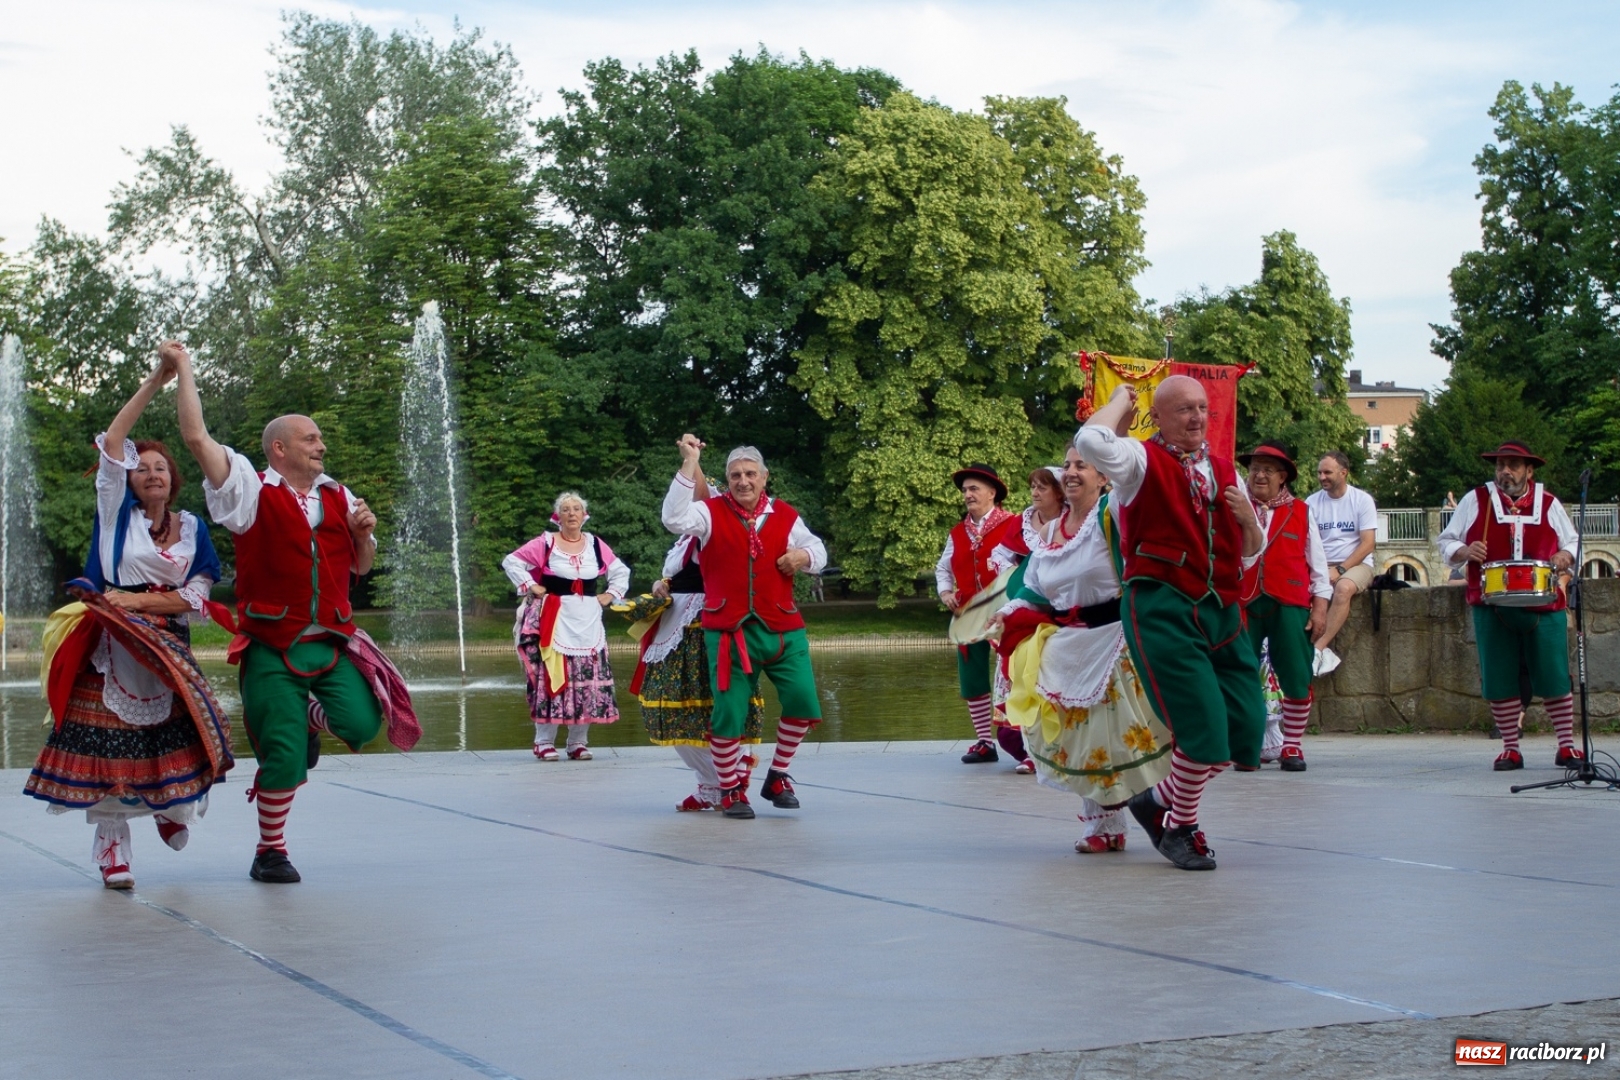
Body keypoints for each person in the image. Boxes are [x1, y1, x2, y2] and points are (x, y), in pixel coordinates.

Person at [172, 341, 416, 885]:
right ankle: (270, 852)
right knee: (281, 754)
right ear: (279, 448)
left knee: (363, 723)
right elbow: (195, 437)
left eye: (320, 440)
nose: (321, 446)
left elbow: (360, 567)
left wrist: (364, 537)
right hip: (270, 644)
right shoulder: (249, 490)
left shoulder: (339, 494)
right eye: (311, 439)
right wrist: (184, 367)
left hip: (329, 641)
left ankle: (311, 718)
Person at [24, 353, 232, 888]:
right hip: (113, 646)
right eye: (143, 469)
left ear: (173, 479)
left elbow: (197, 597)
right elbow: (115, 443)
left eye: (161, 466)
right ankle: (113, 856)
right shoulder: (117, 516)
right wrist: (156, 380)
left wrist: (139, 602)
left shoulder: (192, 530)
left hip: (168, 646)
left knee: (185, 742)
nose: (151, 472)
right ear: (129, 483)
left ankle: (170, 809)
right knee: (107, 754)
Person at [1077, 376, 1266, 871]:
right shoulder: (1139, 462)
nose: (1197, 417)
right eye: (1184, 409)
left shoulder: (1225, 470)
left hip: (1221, 611)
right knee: (1202, 729)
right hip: (1163, 607)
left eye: (1203, 407)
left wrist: (1248, 520)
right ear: (1157, 417)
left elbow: (1251, 552)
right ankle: (1181, 826)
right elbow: (1090, 441)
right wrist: (1120, 399)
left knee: (1245, 730)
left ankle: (1156, 797)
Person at [992, 446, 1171, 853]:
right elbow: (1036, 590)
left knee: (1137, 736)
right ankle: (1104, 827)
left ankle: (1168, 813)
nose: (1070, 473)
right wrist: (1008, 612)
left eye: (1082, 466)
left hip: (1118, 641)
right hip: (1072, 645)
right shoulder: (1051, 534)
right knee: (1085, 741)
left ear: (1104, 476)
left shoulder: (1113, 515)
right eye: (1067, 465)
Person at [662, 436, 827, 819]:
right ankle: (731, 790)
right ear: (728, 479)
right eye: (735, 474)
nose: (743, 481)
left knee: (803, 703)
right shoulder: (709, 512)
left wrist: (802, 555)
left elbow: (818, 552)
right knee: (728, 715)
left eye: (750, 473)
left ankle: (778, 776)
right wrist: (690, 462)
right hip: (729, 631)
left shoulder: (785, 515)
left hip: (784, 627)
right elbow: (672, 519)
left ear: (764, 477)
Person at [1436, 441, 1579, 771]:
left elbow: (1572, 541)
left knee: (1555, 674)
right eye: (1501, 464)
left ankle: (1567, 747)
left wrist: (1565, 556)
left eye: (1514, 465)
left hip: (1544, 603)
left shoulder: (1548, 502)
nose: (1506, 471)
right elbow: (1447, 540)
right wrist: (1465, 550)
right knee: (1498, 677)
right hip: (1492, 603)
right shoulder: (1476, 500)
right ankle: (1510, 748)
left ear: (1529, 470)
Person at [622, 533, 765, 810]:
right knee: (672, 708)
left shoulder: (719, 529)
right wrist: (662, 584)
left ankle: (733, 773)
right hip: (675, 624)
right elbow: (680, 575)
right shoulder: (686, 538)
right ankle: (713, 783)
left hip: (707, 623)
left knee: (716, 701)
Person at [503, 493, 630, 760]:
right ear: (557, 516)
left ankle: (577, 743)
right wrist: (531, 585)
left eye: (576, 509)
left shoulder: (595, 545)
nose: (571, 513)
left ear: (584, 515)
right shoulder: (546, 543)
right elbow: (512, 561)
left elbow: (621, 571)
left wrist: (611, 594)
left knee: (586, 680)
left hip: (588, 619)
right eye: (565, 509)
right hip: (555, 617)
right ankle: (543, 742)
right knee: (552, 677)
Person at [1237, 441, 1331, 772]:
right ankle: (1247, 746)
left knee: (1296, 672)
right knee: (1240, 673)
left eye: (1267, 470)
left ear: (1282, 478)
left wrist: (1320, 608)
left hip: (1290, 600)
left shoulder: (1302, 511)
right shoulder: (1237, 507)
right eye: (1254, 469)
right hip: (1244, 600)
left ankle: (1291, 745)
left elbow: (1318, 566)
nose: (1258, 475)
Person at [935, 464, 1020, 766]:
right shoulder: (957, 532)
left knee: (1014, 672)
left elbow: (1026, 565)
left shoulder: (1014, 524)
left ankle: (1022, 740)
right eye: (965, 490)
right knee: (971, 676)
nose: (967, 495)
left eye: (974, 489)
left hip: (1005, 611)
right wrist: (946, 592)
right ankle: (985, 742)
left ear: (992, 493)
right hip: (969, 613)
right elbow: (943, 568)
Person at [984, 466, 1067, 774]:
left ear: (1058, 492)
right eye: (1032, 486)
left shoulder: (1075, 522)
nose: (1034, 492)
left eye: (1041, 487)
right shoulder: (1023, 521)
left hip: (1061, 611)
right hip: (1025, 605)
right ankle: (1029, 747)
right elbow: (1002, 555)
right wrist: (1015, 573)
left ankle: (1057, 747)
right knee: (1019, 669)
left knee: (1050, 677)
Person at [1306, 451, 1377, 658]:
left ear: (1343, 473)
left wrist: (1339, 569)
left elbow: (1368, 544)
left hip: (1356, 564)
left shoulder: (1362, 500)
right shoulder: (1311, 502)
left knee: (1343, 588)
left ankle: (1318, 649)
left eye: (1327, 472)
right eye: (1319, 472)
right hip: (1321, 563)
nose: (1321, 477)